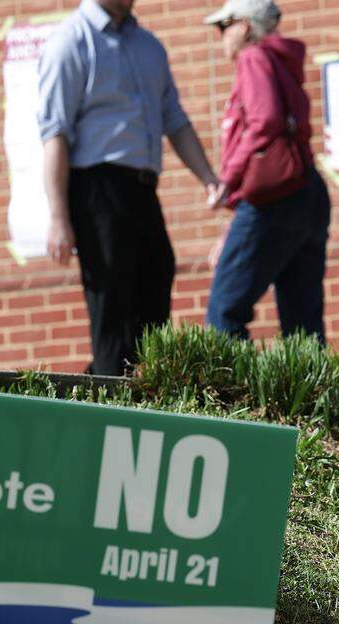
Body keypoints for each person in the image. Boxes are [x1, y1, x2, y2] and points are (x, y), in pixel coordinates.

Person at [38, 0, 222, 376]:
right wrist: (58, 217)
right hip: (96, 190)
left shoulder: (149, 46)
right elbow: (54, 133)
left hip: (142, 189)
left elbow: (175, 120)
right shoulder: (70, 42)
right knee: (112, 304)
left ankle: (146, 394)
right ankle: (106, 396)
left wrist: (209, 178)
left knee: (158, 276)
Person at [202, 0, 332, 341]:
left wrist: (227, 180)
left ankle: (228, 394)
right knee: (303, 323)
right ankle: (313, 394)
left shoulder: (253, 57)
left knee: (223, 313)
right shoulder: (281, 61)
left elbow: (266, 120)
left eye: (223, 26)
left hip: (274, 200)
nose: (221, 37)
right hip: (307, 191)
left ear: (244, 27)